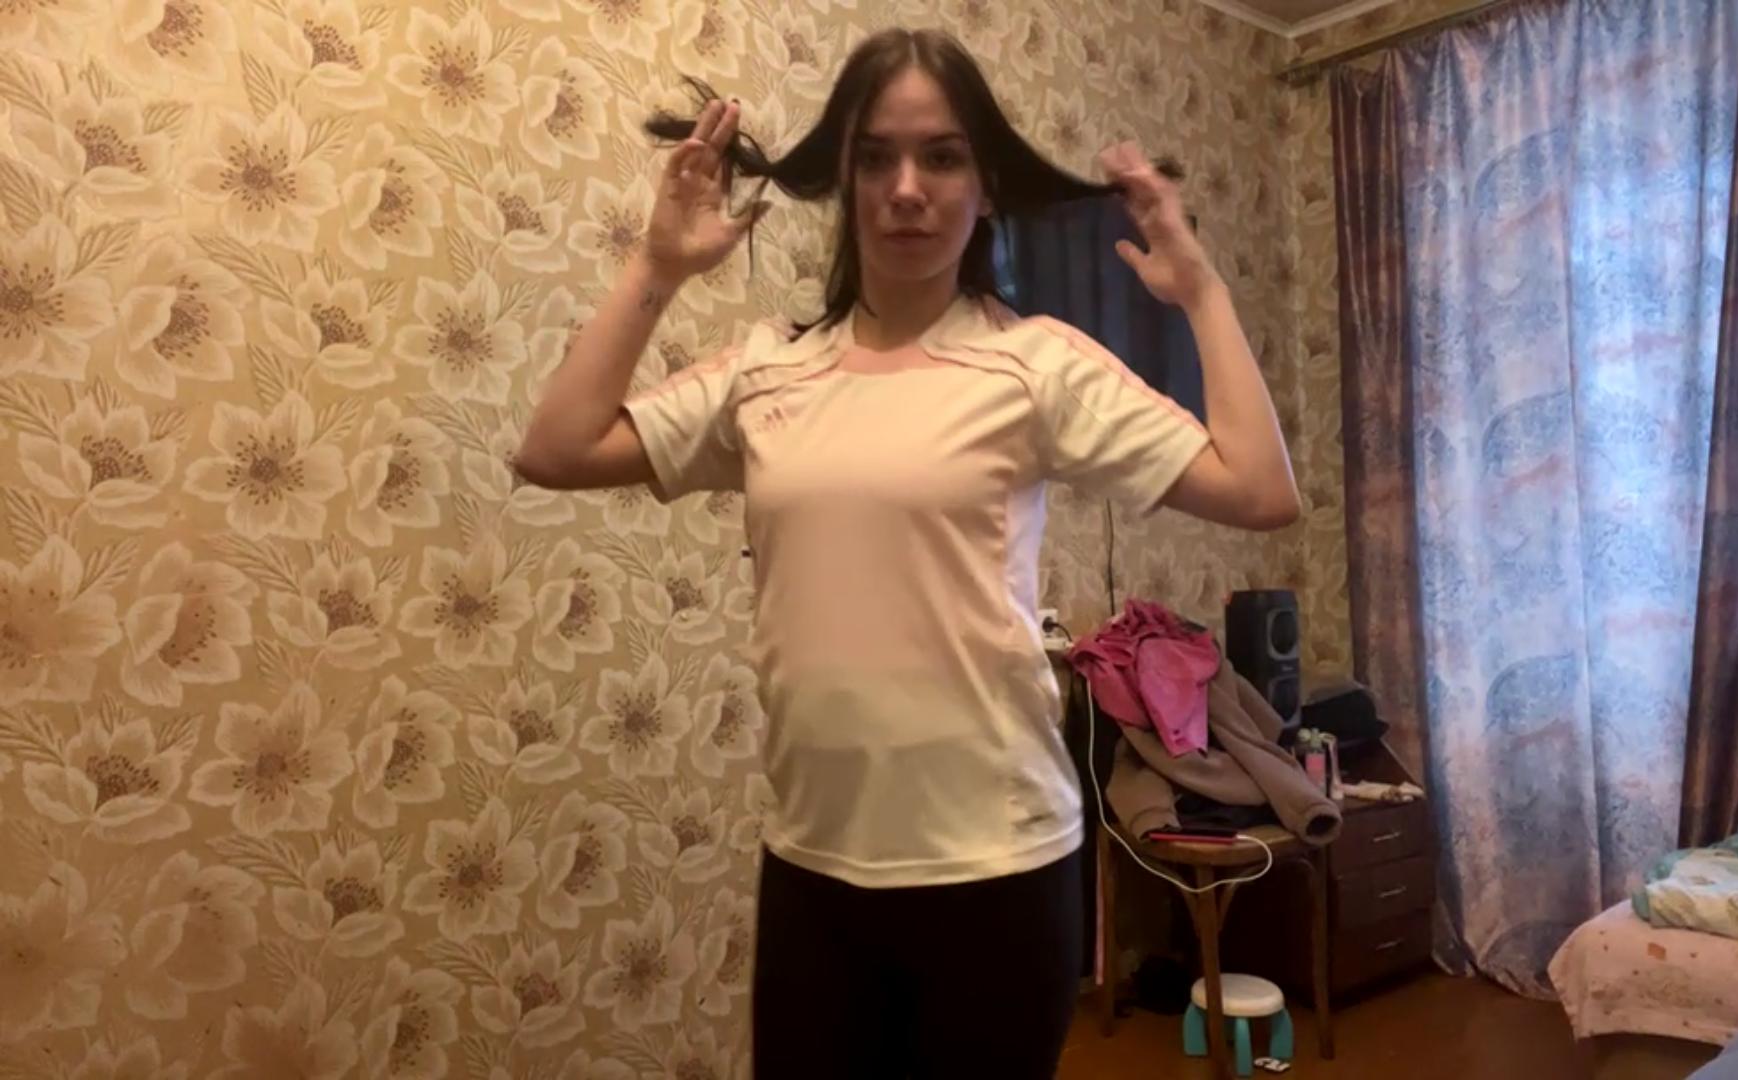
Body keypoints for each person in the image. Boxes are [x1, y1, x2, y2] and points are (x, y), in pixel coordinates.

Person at [515, 26, 1299, 1080]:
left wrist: (1203, 294)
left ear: (985, 184)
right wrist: (657, 268)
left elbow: (1260, 491)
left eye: (942, 157)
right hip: (813, 868)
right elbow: (556, 449)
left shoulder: (1034, 366)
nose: (907, 188)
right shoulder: (767, 370)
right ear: (844, 181)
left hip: (999, 869)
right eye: (876, 157)